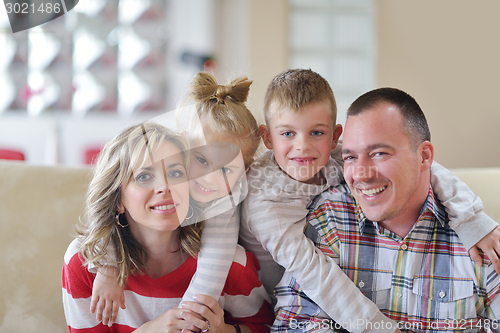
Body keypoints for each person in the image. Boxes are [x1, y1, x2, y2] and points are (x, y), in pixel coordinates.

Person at [238, 69, 500, 333]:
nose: (303, 146)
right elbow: (312, 286)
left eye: (379, 153)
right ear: (268, 138)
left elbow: (431, 170)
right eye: (287, 134)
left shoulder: (333, 159)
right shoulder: (296, 210)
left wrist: (471, 219)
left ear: (333, 138)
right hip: (251, 302)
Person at [62, 123, 273, 332]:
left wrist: (225, 331)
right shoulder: (83, 263)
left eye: (175, 174)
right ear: (118, 200)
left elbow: (267, 327)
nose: (165, 187)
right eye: (144, 177)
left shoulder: (230, 263)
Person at [88, 73, 262, 326]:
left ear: (243, 173)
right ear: (184, 147)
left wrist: (190, 321)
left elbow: (213, 266)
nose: (209, 180)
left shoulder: (224, 204)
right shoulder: (163, 157)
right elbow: (107, 211)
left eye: (225, 170)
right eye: (201, 161)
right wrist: (108, 268)